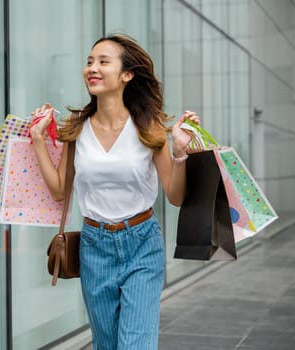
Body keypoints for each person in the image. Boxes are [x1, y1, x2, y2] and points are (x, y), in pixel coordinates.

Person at [30, 34, 200, 350]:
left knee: (135, 344)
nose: (92, 68)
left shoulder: (149, 127)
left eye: (103, 62)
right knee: (106, 345)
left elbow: (175, 197)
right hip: (94, 248)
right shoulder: (76, 127)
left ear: (127, 74)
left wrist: (179, 154)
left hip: (142, 245)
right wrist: (39, 139)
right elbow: (58, 191)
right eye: (89, 62)